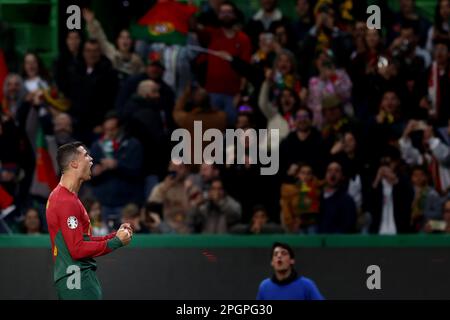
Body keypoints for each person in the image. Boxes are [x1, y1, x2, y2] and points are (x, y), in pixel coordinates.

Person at [46, 141, 132, 300]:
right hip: (77, 280)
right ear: (74, 163)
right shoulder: (65, 201)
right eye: (86, 155)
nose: (91, 159)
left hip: (76, 278)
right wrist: (116, 242)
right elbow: (77, 249)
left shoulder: (66, 198)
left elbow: (83, 240)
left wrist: (114, 236)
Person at [194, 0, 252, 126]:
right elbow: (195, 26)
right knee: (212, 131)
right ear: (218, 15)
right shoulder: (211, 34)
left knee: (231, 130)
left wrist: (240, 93)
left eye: (229, 12)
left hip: (233, 94)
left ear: (235, 15)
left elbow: (246, 69)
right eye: (222, 12)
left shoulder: (243, 39)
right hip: (212, 92)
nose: (226, 15)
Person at [90, 112, 144, 228]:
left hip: (126, 203)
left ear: (120, 128)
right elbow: (90, 174)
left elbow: (137, 171)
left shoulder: (132, 145)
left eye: (112, 129)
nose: (109, 133)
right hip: (103, 203)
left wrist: (117, 165)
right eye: (106, 129)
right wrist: (94, 172)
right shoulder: (97, 146)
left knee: (125, 238)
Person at [256, 242, 324, 300]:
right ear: (272, 262)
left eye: (284, 253)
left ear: (292, 260)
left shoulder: (306, 285)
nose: (279, 256)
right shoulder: (264, 287)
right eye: (275, 254)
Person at [318, 161, 357, 234]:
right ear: (325, 175)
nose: (332, 173)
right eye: (329, 170)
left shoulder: (347, 200)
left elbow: (348, 227)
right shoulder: (317, 197)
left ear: (342, 177)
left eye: (337, 171)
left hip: (336, 243)